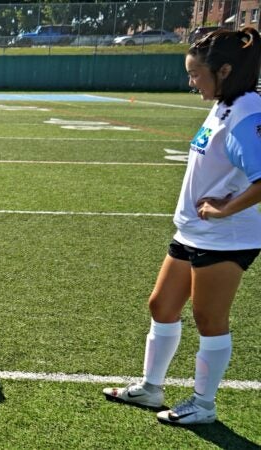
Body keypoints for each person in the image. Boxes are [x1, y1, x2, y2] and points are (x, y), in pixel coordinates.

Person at [103, 28, 261, 425]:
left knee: (209, 321)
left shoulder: (247, 112)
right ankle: (151, 388)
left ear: (224, 70)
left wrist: (227, 210)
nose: (192, 82)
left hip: (225, 237)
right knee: (162, 305)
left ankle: (203, 405)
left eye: (196, 75)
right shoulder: (225, 104)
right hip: (191, 231)